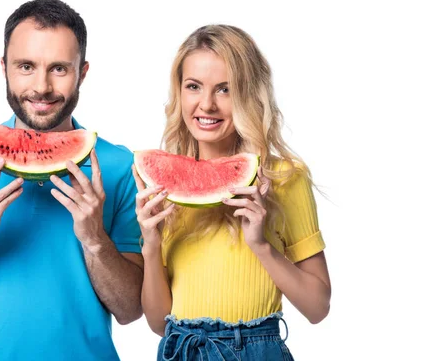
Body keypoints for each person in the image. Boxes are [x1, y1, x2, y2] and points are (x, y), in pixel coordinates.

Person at [0, 0, 144, 360]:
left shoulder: (118, 166)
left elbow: (131, 310)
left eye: (59, 69)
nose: (41, 87)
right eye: (26, 66)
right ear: (4, 67)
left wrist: (95, 240)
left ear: (82, 73)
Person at [133, 24, 331, 360]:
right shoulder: (164, 189)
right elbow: (157, 322)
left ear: (249, 95)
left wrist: (261, 244)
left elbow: (317, 307)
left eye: (224, 90)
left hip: (255, 349)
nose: (206, 104)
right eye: (193, 86)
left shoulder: (285, 179)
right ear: (179, 92)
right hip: (183, 349)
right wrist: (150, 246)